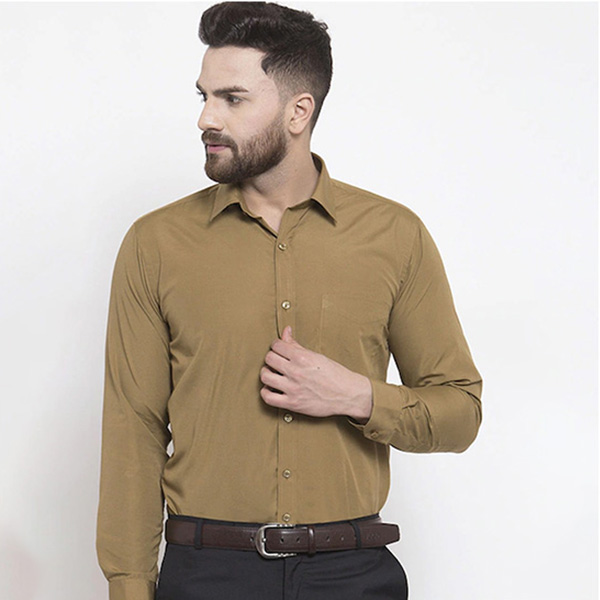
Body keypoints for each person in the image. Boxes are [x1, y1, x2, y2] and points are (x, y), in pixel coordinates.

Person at [96, 2, 483, 599]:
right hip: (207, 576)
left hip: (352, 574)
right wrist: (128, 586)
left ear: (299, 111)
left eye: (232, 99)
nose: (205, 117)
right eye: (203, 95)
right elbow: (134, 428)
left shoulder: (395, 236)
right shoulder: (156, 244)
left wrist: (356, 396)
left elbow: (460, 412)